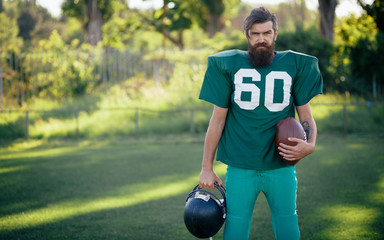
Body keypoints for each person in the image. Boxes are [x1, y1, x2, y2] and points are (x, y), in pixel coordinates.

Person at [198, 6, 323, 240]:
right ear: (247, 35)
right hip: (240, 166)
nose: (261, 39)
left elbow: (306, 117)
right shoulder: (229, 65)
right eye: (255, 34)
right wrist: (206, 167)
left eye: (266, 33)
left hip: (281, 167)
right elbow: (217, 121)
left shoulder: (294, 65)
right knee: (235, 230)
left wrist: (311, 144)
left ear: (276, 34)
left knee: (288, 228)